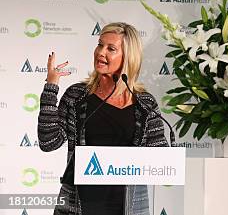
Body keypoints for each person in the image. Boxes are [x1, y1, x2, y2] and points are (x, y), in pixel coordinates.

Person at [37, 22, 168, 215]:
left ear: (128, 58)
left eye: (111, 48)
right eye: (100, 45)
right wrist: (51, 86)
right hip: (77, 205)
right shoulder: (77, 96)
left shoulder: (145, 103)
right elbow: (48, 142)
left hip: (128, 207)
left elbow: (160, 158)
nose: (100, 52)